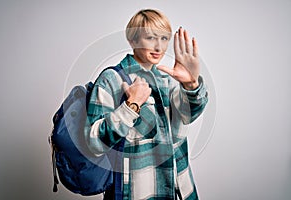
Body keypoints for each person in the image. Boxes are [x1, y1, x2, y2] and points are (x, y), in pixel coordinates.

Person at [84, 9, 208, 200]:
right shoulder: (112, 79)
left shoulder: (168, 80)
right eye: (151, 38)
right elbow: (94, 143)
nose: (159, 47)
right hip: (135, 193)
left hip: (179, 191)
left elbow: (189, 115)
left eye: (165, 38)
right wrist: (131, 106)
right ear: (133, 40)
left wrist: (191, 84)